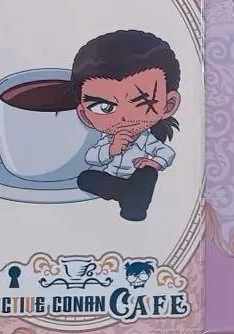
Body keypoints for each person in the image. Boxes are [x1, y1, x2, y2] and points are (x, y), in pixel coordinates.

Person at [69, 30, 182, 222]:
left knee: (148, 175)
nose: (123, 117)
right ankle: (127, 193)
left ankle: (133, 203)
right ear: (85, 115)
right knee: (85, 178)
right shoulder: (108, 140)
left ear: (168, 105)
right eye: (105, 107)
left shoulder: (146, 139)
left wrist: (155, 163)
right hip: (111, 178)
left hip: (137, 176)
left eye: (141, 103)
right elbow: (91, 158)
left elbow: (167, 152)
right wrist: (111, 149)